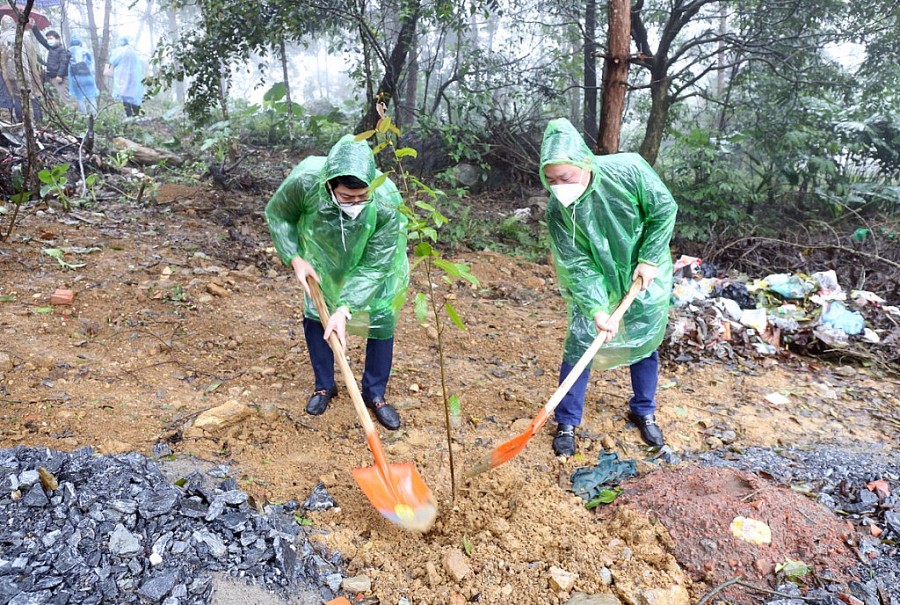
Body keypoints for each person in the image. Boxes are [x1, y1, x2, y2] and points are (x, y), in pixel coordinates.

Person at [539, 118, 676, 456]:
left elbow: (663, 209)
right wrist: (598, 310)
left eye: (565, 178)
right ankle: (567, 421)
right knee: (581, 340)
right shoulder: (559, 211)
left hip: (643, 272)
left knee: (644, 340)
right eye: (551, 180)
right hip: (598, 279)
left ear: (583, 162)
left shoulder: (628, 170)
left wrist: (649, 257)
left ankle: (643, 410)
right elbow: (577, 264)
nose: (559, 186)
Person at [265, 134, 410, 430]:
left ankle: (375, 393)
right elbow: (279, 214)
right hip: (322, 260)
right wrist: (294, 257)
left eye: (362, 196)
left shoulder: (385, 200)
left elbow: (375, 264)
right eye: (347, 196)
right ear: (330, 185)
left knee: (381, 318)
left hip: (375, 266)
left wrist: (344, 310)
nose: (355, 203)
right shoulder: (305, 182)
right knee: (316, 315)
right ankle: (324, 385)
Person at [32, 27, 70, 105]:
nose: (49, 41)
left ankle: (70, 116)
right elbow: (41, 40)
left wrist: (60, 75)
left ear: (58, 39)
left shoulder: (62, 50)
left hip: (59, 78)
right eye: (48, 39)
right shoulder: (52, 48)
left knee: (64, 98)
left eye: (51, 38)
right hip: (52, 76)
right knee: (56, 98)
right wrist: (34, 27)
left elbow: (64, 63)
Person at [107, 36, 142, 117]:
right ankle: (136, 114)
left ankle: (128, 114)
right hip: (133, 77)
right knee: (132, 95)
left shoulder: (119, 51)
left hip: (122, 77)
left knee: (124, 95)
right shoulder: (132, 51)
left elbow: (113, 61)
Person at [67, 36, 98, 115]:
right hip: (88, 77)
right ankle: (94, 116)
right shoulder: (86, 51)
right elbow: (92, 66)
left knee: (80, 98)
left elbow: (67, 67)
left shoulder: (68, 52)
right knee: (91, 97)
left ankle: (84, 117)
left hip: (76, 78)